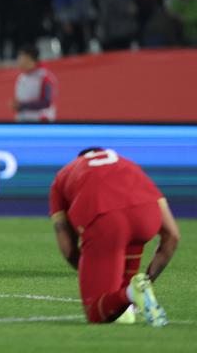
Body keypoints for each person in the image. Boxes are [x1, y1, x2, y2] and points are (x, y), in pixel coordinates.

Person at [50, 148, 180, 326]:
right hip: (146, 218)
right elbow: (172, 235)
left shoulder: (64, 175)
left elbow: (68, 247)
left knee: (96, 313)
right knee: (131, 243)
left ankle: (129, 294)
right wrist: (149, 280)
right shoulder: (127, 164)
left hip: (106, 222)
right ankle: (133, 296)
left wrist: (91, 272)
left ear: (80, 158)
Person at [13, 44, 57, 122]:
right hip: (23, 121)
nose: (18, 60)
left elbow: (47, 102)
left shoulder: (45, 77)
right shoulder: (21, 78)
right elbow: (20, 101)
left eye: (20, 57)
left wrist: (23, 105)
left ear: (28, 57)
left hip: (40, 123)